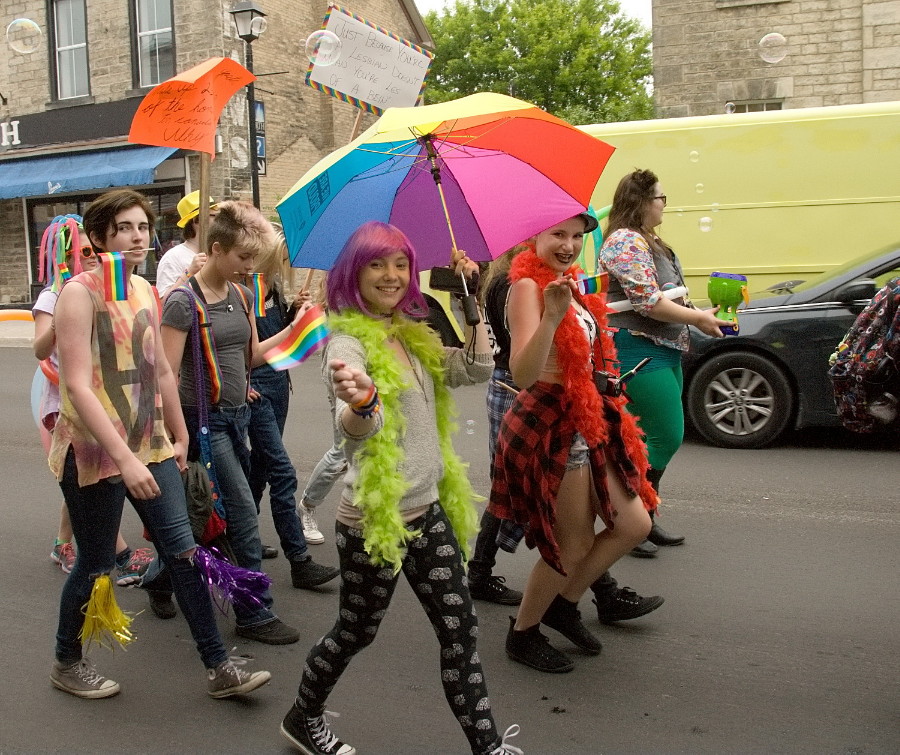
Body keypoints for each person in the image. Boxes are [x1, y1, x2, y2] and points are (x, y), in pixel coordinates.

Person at [280, 221, 521, 755]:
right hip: (373, 520)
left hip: (427, 510)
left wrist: (471, 299)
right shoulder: (346, 342)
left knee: (460, 631)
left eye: (400, 264)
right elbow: (352, 428)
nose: (392, 276)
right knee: (355, 631)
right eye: (376, 264)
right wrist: (363, 403)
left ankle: (488, 747)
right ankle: (303, 716)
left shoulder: (412, 328)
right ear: (353, 272)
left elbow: (477, 367)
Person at [47, 189, 270, 699]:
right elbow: (78, 387)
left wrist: (178, 430)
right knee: (97, 563)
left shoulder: (146, 289)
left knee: (184, 551)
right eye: (123, 228)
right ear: (100, 237)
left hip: (150, 445)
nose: (135, 237)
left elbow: (162, 369)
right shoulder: (78, 295)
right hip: (94, 454)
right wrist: (124, 460)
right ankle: (65, 660)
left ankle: (219, 667)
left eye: (142, 228)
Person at [489, 213, 661, 674]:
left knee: (633, 524)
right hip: (549, 424)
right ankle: (523, 633)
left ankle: (563, 605)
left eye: (576, 237)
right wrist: (553, 317)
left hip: (585, 416)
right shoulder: (528, 287)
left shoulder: (568, 281)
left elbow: (580, 354)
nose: (568, 245)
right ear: (535, 237)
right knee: (573, 544)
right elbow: (523, 375)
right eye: (557, 235)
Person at [161, 200, 302, 645]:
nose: (249, 267)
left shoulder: (242, 295)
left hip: (237, 418)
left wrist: (299, 330)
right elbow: (165, 372)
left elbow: (253, 357)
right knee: (240, 512)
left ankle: (158, 578)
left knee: (198, 516)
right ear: (217, 249)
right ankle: (253, 612)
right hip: (203, 423)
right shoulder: (183, 302)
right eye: (243, 258)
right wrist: (178, 437)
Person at [598, 169, 730, 557]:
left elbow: (667, 294)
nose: (663, 204)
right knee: (665, 437)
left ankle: (643, 519)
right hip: (637, 349)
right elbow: (647, 302)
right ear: (641, 202)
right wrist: (699, 319)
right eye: (660, 197)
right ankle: (631, 520)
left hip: (662, 347)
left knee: (648, 439)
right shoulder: (624, 242)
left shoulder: (649, 240)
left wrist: (706, 314)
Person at [33, 215, 154, 585]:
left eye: (91, 249)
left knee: (86, 481)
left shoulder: (114, 285)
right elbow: (39, 349)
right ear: (67, 255)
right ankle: (114, 553)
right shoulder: (56, 294)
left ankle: (65, 542)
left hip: (107, 397)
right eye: (81, 251)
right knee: (86, 471)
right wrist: (62, 315)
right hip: (61, 399)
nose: (88, 256)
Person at [246, 234, 339, 588]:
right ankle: (299, 560)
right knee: (282, 472)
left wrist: (290, 309)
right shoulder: (251, 289)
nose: (289, 266)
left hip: (278, 385)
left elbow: (276, 335)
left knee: (260, 468)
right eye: (284, 259)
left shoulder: (272, 289)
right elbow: (253, 346)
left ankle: (244, 535)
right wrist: (294, 323)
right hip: (258, 391)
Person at [154, 191, 217, 297]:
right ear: (197, 220)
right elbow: (164, 302)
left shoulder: (217, 252)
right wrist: (189, 273)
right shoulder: (173, 258)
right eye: (214, 216)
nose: (219, 221)